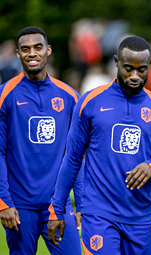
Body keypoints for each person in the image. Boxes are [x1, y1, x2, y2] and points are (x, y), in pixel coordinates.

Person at [47, 36, 151, 255]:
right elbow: (71, 159)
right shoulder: (90, 102)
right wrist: (57, 210)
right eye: (128, 69)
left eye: (142, 70)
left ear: (150, 66)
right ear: (117, 62)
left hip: (140, 218)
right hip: (99, 214)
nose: (135, 76)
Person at [0, 26, 82, 255]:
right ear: (18, 54)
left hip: (58, 205)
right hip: (19, 206)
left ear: (48, 50)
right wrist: (3, 203)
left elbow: (76, 155)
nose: (32, 53)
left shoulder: (69, 96)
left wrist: (82, 204)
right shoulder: (5, 95)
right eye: (25, 49)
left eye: (38, 47)